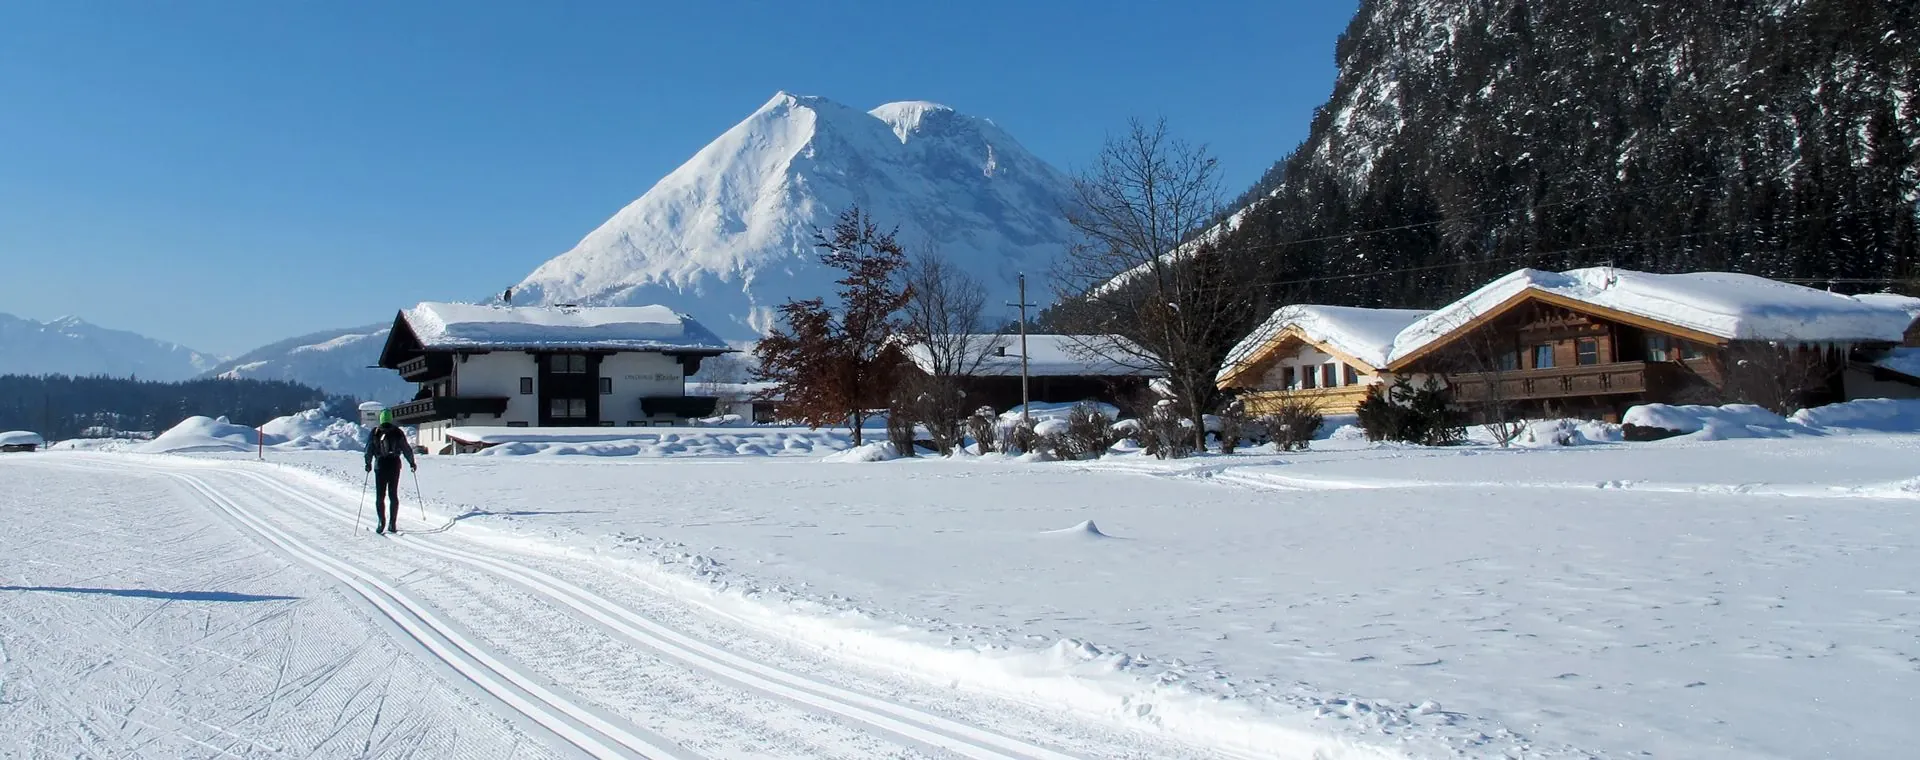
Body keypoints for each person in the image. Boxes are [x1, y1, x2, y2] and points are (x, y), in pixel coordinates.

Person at [363, 410, 417, 534]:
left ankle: (381, 522)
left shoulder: (375, 432)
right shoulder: (398, 432)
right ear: (391, 419)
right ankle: (392, 523)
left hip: (380, 465)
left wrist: (368, 463)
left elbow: (369, 449)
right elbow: (406, 449)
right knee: (393, 495)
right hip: (394, 465)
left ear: (381, 419)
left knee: (380, 496)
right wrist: (412, 463)